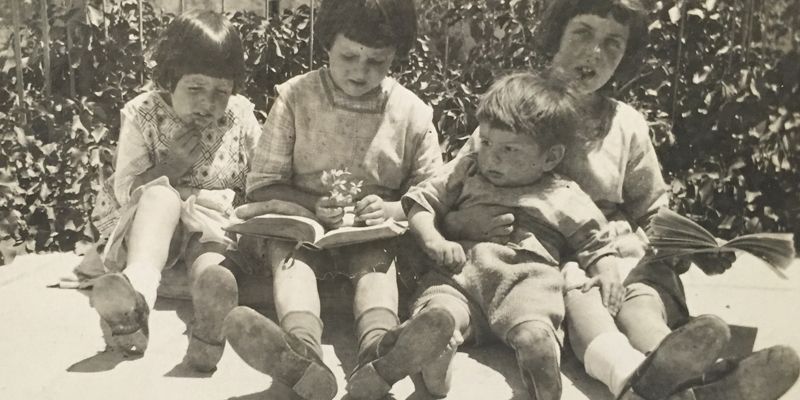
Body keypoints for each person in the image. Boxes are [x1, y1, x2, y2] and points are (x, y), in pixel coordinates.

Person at [441, 0, 800, 399]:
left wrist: (684, 245)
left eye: (614, 43)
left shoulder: (625, 123)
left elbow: (651, 209)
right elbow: (453, 190)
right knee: (583, 293)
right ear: (555, 35)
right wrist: (462, 223)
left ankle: (681, 366)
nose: (595, 53)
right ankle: (687, 385)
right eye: (583, 33)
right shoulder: (514, 108)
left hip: (613, 254)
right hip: (546, 262)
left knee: (640, 293)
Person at [401, 72, 730, 400]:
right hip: (462, 275)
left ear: (551, 158)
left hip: (525, 282)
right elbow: (422, 200)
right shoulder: (468, 169)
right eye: (485, 142)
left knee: (535, 321)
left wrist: (606, 272)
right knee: (440, 307)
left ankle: (544, 362)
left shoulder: (562, 194)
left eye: (509, 149)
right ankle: (437, 354)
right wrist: (433, 238)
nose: (491, 157)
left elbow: (593, 240)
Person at [220, 1, 450, 399]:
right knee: (293, 260)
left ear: (397, 53)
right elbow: (262, 184)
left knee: (377, 266)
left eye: (377, 62)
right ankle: (301, 355)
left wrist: (394, 208)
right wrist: (309, 205)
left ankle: (380, 356)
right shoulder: (296, 98)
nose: (361, 72)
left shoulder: (410, 112)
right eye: (349, 56)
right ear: (327, 43)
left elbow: (434, 189)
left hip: (371, 235)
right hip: (305, 231)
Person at [87, 10, 262, 373]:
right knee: (159, 196)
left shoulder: (240, 114)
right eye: (195, 89)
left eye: (221, 92)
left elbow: (262, 172)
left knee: (211, 265)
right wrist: (171, 166)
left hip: (214, 218)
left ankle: (208, 330)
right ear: (169, 79)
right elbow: (126, 189)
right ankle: (136, 299)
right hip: (156, 218)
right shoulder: (144, 113)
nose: (208, 103)